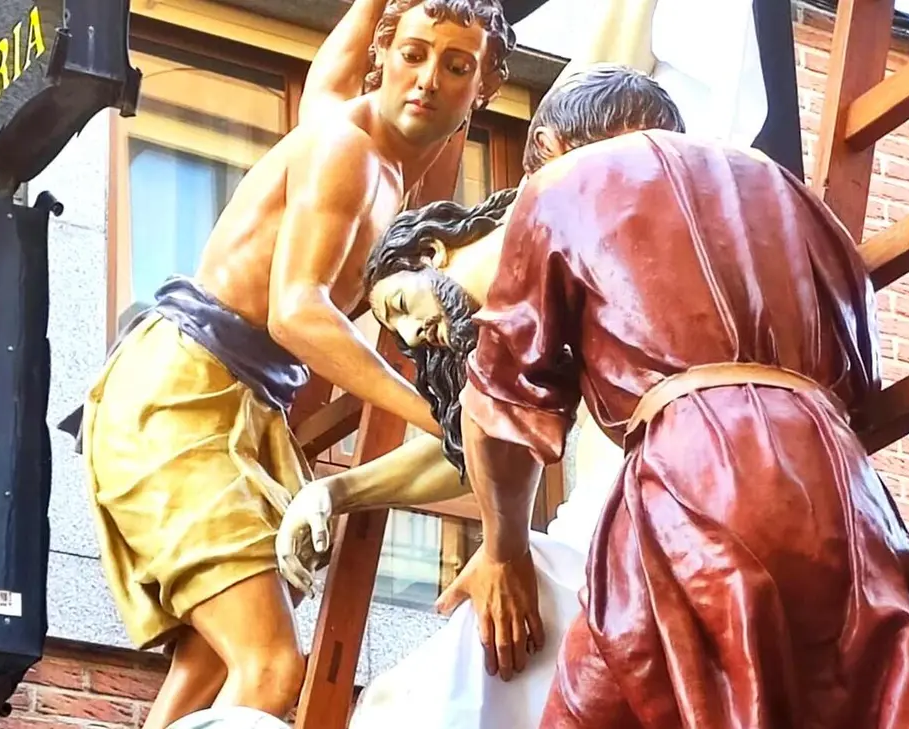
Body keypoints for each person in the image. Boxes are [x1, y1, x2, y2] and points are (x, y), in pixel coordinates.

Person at [69, 0, 516, 726]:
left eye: (456, 65)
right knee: (272, 667)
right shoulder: (344, 148)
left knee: (215, 662)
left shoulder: (389, 168)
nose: (427, 78)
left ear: (484, 86)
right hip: (187, 387)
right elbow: (297, 311)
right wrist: (440, 414)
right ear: (384, 54)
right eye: (412, 54)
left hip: (243, 405)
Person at [448, 127, 909, 726]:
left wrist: (504, 550)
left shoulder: (561, 185)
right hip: (846, 494)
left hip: (698, 473)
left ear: (551, 142)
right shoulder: (791, 192)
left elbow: (499, 405)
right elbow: (864, 373)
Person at [275, 66, 683, 729]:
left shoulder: (552, 215)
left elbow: (493, 427)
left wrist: (504, 551)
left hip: (642, 534)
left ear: (435, 250)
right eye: (398, 333)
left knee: (429, 693)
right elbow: (478, 439)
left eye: (401, 303)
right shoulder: (540, 294)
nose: (413, 333)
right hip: (616, 543)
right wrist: (336, 492)